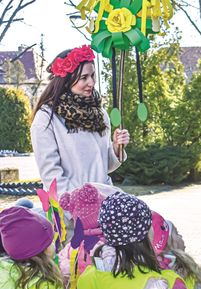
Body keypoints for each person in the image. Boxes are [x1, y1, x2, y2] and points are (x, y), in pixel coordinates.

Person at [31, 44, 130, 195]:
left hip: (104, 199)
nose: (91, 82)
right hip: (70, 207)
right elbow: (51, 176)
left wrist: (116, 147)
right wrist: (80, 205)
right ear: (66, 80)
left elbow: (104, 167)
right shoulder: (46, 118)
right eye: (84, 77)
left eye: (92, 75)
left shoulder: (99, 113)